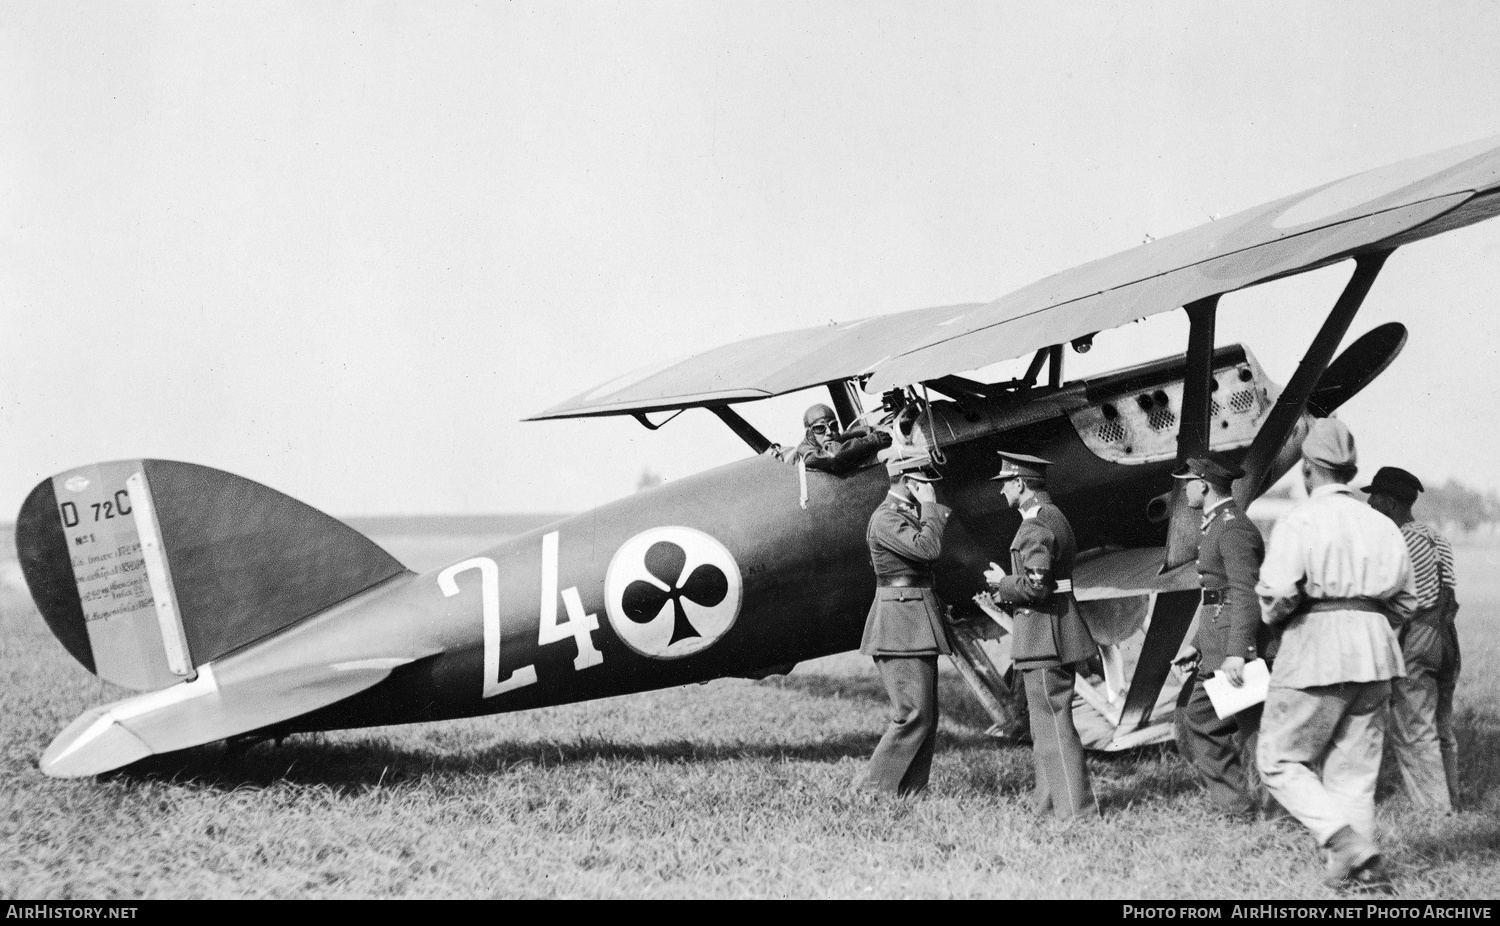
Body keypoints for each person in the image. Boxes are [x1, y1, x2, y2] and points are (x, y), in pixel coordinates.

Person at [1255, 418, 1417, 886]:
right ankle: (1362, 872)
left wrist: (1279, 616)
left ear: (1307, 470)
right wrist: (1368, 622)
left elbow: (1279, 591)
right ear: (1350, 471)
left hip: (1316, 644)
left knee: (1279, 758)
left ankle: (1343, 842)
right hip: (1377, 651)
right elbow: (1408, 601)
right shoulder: (1383, 524)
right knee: (1355, 772)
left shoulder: (1300, 519)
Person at [983, 452, 1099, 820]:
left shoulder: (1034, 526)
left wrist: (1002, 583)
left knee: (1054, 727)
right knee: (1047, 728)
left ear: (1019, 483)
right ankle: (1050, 807)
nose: (1002, 492)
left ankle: (1076, 814)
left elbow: (1038, 586)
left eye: (1004, 484)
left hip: (1044, 634)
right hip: (1053, 630)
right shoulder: (1054, 516)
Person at [1172, 456, 1270, 819]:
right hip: (1220, 642)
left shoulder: (1232, 529)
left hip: (1233, 648)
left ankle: (1244, 808)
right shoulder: (1217, 525)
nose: (1184, 489)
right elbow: (1216, 595)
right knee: (1242, 727)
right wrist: (1197, 645)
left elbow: (1246, 593)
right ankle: (1245, 807)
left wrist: (1238, 654)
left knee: (1224, 723)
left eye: (1187, 482)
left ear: (1203, 484)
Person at [854, 445, 951, 797]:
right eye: (924, 481)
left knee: (927, 714)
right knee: (912, 714)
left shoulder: (903, 514)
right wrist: (930, 508)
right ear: (908, 481)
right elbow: (928, 550)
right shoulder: (886, 519)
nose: (930, 487)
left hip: (915, 620)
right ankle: (873, 791)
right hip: (900, 625)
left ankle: (911, 791)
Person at [1363, 466, 1461, 812]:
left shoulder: (1399, 539)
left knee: (1413, 731)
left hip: (1417, 637)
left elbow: (1398, 601)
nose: (1370, 504)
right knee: (1441, 727)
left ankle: (1436, 812)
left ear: (1389, 503)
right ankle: (1452, 799)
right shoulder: (1436, 537)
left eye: (1374, 498)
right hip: (1447, 638)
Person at [792, 403, 890, 475]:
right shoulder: (805, 452)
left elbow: (836, 442)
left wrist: (852, 433)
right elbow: (834, 455)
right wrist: (870, 441)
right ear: (809, 433)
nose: (829, 432)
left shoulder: (821, 442)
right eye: (819, 428)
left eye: (833, 425)